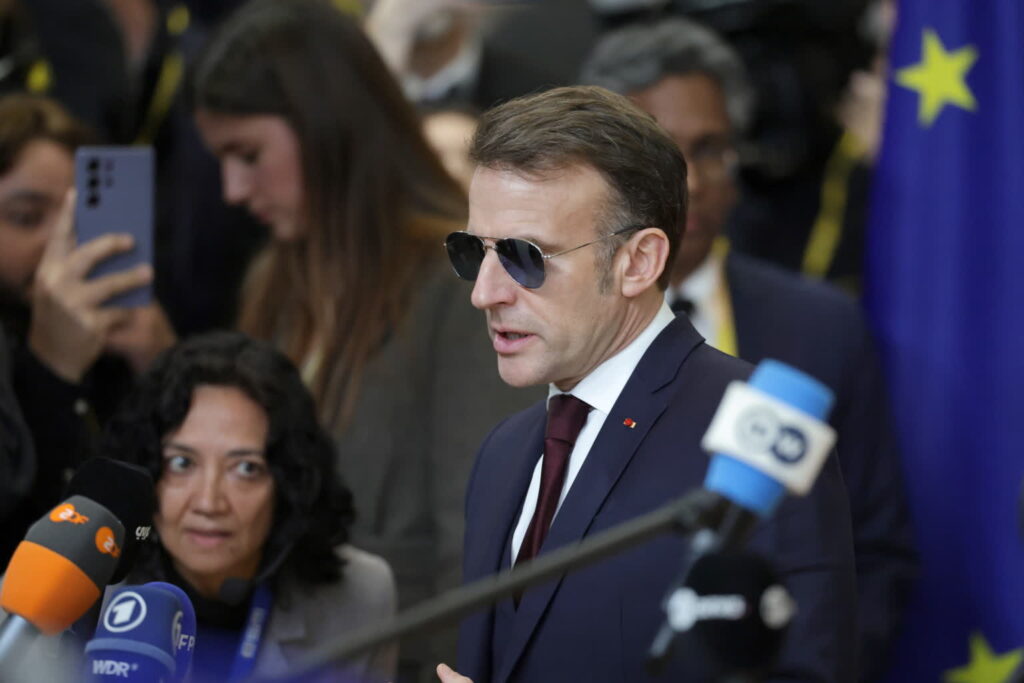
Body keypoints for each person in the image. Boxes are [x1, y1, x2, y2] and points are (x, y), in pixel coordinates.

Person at [436, 85, 857, 682]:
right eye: (470, 252)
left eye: (524, 256)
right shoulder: (503, 453)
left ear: (638, 262)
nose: (485, 292)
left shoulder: (759, 440)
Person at [190, 1, 540, 676]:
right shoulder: (273, 279)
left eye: (249, 154)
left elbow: (479, 548)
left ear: (325, 128)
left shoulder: (460, 289)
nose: (233, 189)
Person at [581, 17, 917, 680]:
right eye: (662, 154)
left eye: (710, 150)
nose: (693, 183)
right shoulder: (545, 326)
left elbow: (874, 552)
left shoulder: (821, 328)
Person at [102, 331, 397, 681]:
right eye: (182, 464)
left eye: (246, 469)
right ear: (145, 470)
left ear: (289, 483)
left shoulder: (358, 597)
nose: (209, 503)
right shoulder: (86, 599)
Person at [0, 93, 174, 566]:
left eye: (79, 217)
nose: (61, 242)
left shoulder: (120, 324)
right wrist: (51, 370)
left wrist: (164, 368)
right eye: (26, 217)